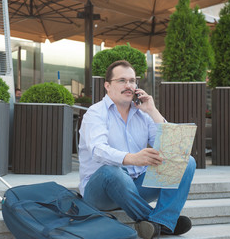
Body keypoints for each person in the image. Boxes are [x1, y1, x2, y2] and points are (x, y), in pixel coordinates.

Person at [78, 60, 196, 239]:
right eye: (122, 81)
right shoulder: (95, 113)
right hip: (100, 191)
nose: (129, 86)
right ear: (107, 86)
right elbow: (97, 150)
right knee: (113, 172)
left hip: (135, 188)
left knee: (186, 161)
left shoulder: (143, 114)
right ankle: (162, 221)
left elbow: (172, 147)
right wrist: (132, 158)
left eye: (132, 81)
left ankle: (160, 223)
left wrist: (153, 111)